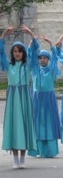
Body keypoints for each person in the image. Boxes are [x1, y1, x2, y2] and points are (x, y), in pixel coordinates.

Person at [0, 25, 38, 169]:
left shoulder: (27, 66)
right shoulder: (8, 66)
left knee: (24, 125)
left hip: (24, 97)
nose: (17, 54)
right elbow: (0, 52)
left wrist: (31, 34)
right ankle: (15, 159)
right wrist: (3, 36)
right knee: (14, 126)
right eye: (15, 51)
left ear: (23, 53)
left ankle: (22, 159)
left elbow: (36, 51)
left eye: (20, 51)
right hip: (12, 98)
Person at [28, 35, 61, 158]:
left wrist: (51, 43)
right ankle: (37, 150)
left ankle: (50, 151)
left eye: (45, 58)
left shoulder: (51, 70)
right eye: (40, 58)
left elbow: (55, 58)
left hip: (49, 99)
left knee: (49, 122)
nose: (42, 60)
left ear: (48, 59)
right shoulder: (35, 70)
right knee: (37, 123)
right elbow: (30, 56)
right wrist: (32, 42)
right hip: (37, 98)